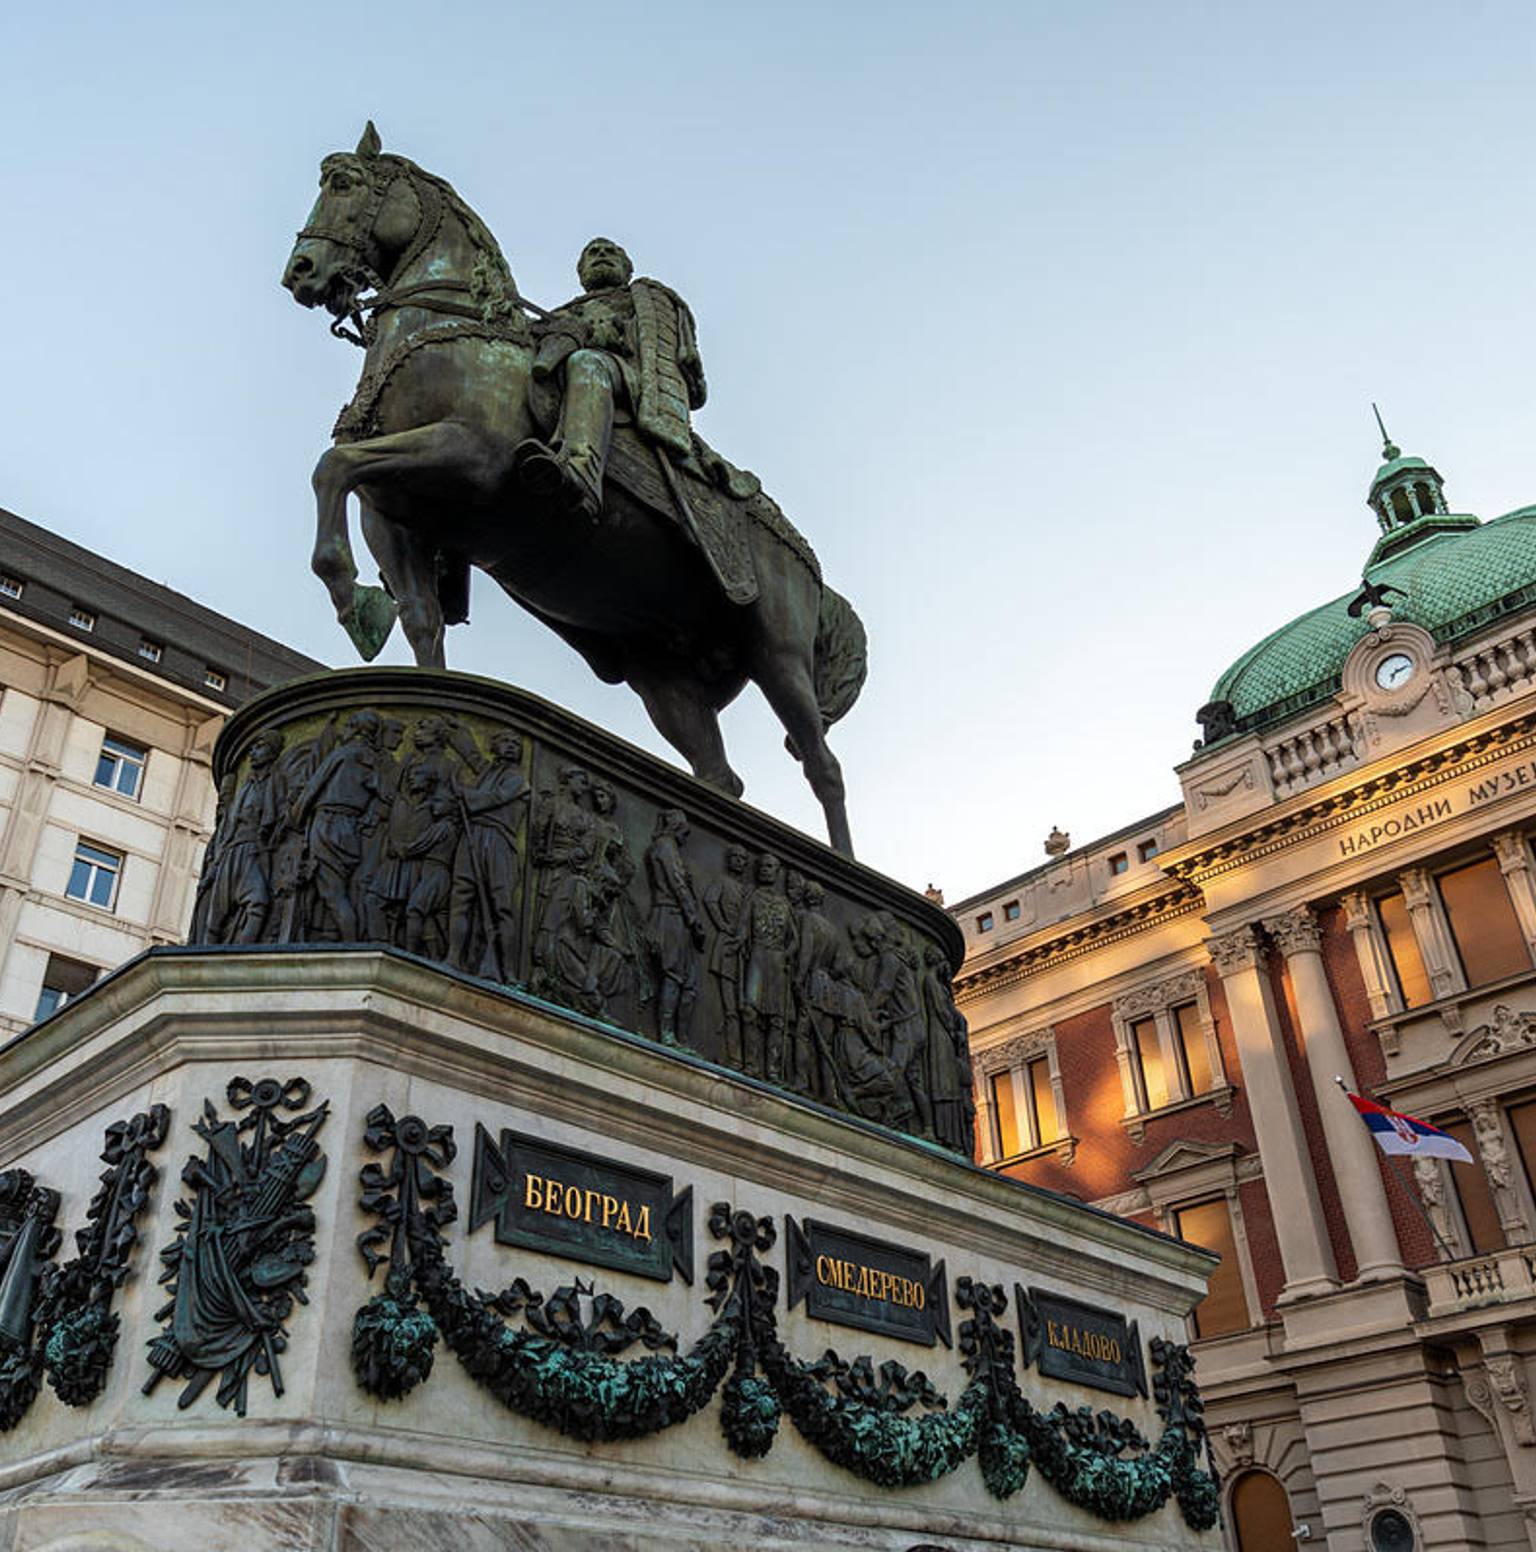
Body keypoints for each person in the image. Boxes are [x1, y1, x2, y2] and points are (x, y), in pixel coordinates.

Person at [514, 238, 706, 520]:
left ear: (627, 269)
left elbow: (687, 374)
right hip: (564, 374)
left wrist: (620, 334)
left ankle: (581, 471)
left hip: (633, 378)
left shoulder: (645, 299)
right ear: (581, 273)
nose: (601, 254)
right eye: (593, 253)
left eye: (610, 252)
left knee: (588, 363)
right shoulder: (561, 313)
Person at [448, 731, 530, 982]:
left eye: (516, 744)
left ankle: (507, 970)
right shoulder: (486, 772)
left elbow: (496, 797)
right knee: (461, 896)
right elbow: (472, 755)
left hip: (499, 841)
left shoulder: (517, 778)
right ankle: (453, 957)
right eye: (505, 741)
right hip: (473, 834)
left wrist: (464, 793)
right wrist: (455, 734)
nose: (511, 746)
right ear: (494, 746)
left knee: (501, 905)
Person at [643, 809, 706, 1046]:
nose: (685, 838)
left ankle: (681, 1038)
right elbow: (677, 884)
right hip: (670, 916)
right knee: (673, 975)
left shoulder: (668, 848)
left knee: (688, 982)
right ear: (676, 826)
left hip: (678, 919)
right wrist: (694, 919)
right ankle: (667, 1034)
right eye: (684, 832)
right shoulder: (665, 846)